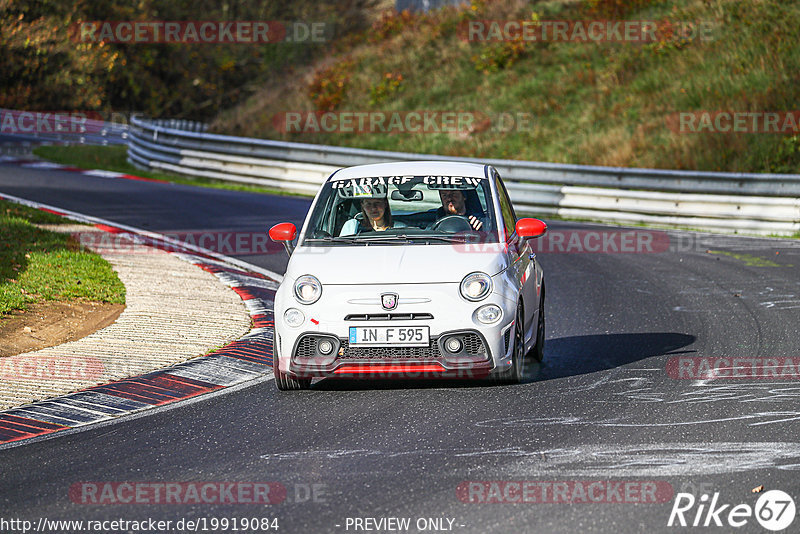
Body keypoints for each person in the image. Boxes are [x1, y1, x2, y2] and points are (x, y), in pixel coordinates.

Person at [340, 195, 404, 235]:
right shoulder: (352, 226)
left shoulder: (400, 228)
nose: (373, 208)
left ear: (385, 204)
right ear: (363, 205)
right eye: (368, 204)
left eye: (377, 203)